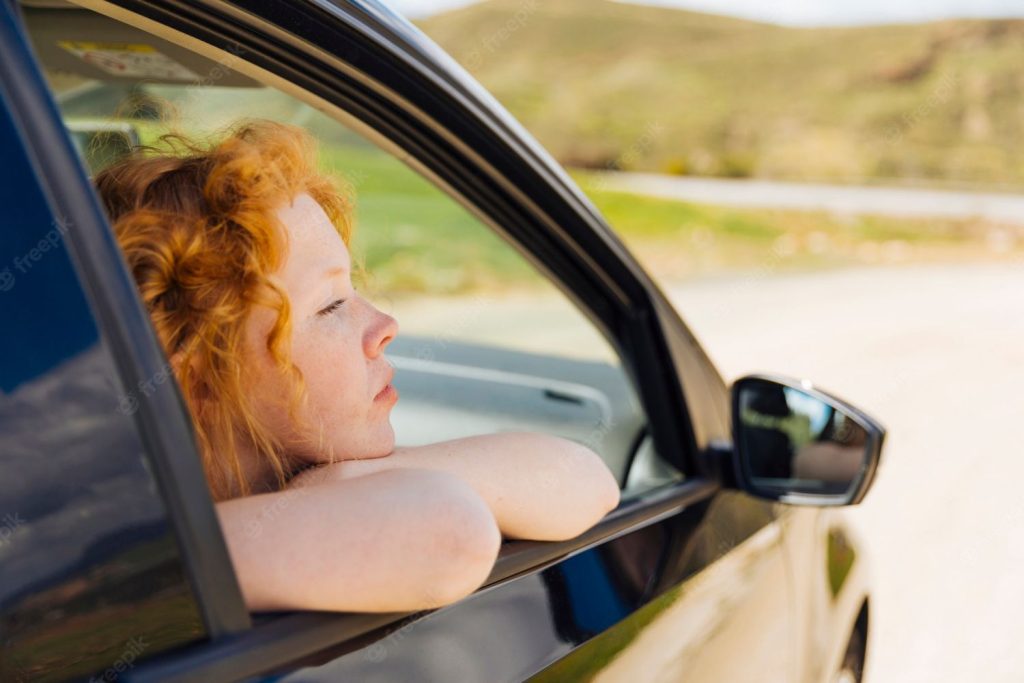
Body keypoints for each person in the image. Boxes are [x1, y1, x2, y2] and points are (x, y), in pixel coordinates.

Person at [92, 120, 621, 613]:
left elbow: (586, 478)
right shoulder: (122, 563)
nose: (386, 323)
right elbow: (452, 530)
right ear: (198, 379)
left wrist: (348, 476)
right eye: (329, 306)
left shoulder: (301, 474)